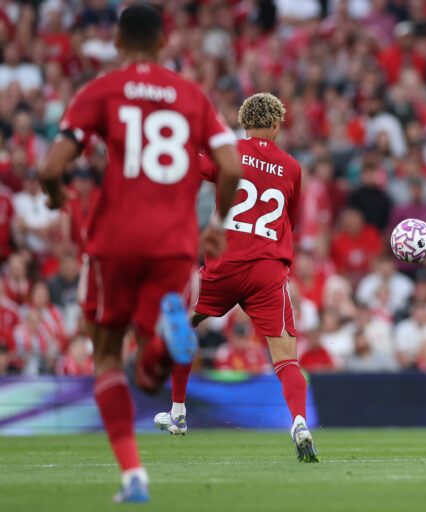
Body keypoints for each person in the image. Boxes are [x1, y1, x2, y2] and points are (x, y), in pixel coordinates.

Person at [37, 3, 241, 503]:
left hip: (115, 240)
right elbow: (231, 167)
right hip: (174, 244)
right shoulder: (191, 96)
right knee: (151, 374)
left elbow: (51, 168)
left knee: (106, 354)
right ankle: (161, 341)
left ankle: (133, 476)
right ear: (165, 43)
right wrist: (215, 225)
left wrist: (54, 196)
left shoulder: (102, 90)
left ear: (117, 42)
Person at [167, 92, 317, 463]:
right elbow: (290, 222)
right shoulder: (293, 167)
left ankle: (178, 412)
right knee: (286, 359)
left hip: (224, 264)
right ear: (277, 125)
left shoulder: (227, 151)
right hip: (268, 269)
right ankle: (299, 422)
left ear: (244, 121)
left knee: (182, 329)